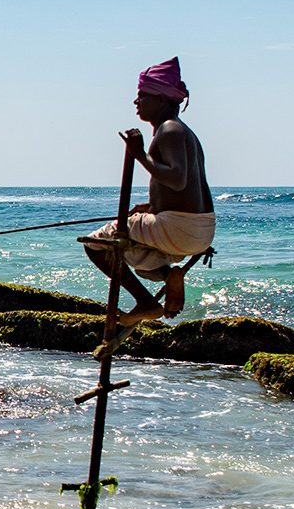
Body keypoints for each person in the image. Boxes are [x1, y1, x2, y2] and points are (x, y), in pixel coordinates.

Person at [83, 57, 215, 325]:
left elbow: (177, 179)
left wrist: (139, 155)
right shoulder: (185, 133)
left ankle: (145, 303)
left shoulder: (169, 129)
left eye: (143, 95)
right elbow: (184, 189)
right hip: (199, 229)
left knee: (96, 245)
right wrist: (154, 207)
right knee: (140, 261)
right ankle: (170, 275)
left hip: (178, 227)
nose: (136, 101)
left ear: (163, 99)